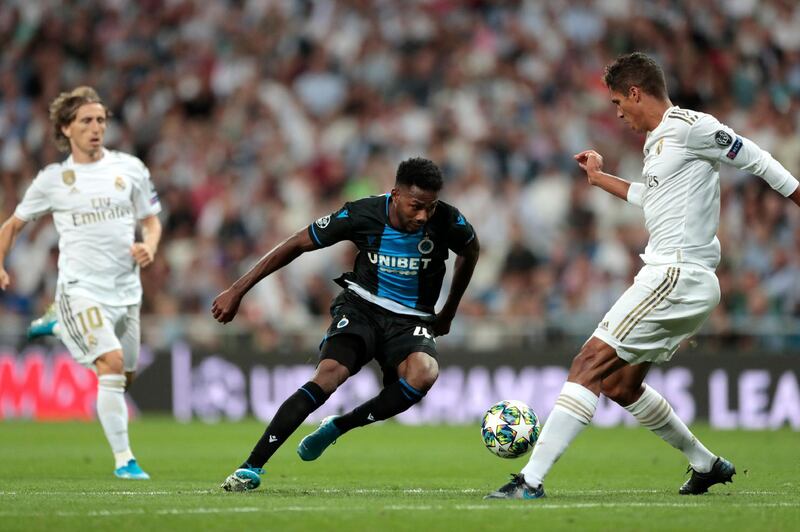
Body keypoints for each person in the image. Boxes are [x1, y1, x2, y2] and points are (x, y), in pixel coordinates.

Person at [486, 52, 800, 499]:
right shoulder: (657, 143)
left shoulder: (692, 127)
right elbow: (649, 199)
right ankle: (705, 463)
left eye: (617, 103)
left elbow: (760, 160)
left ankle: (530, 481)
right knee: (618, 382)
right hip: (681, 277)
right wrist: (599, 178)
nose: (617, 114)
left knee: (588, 363)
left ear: (636, 92)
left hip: (675, 273)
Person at [212, 157, 480, 492]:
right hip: (362, 307)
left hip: (411, 319)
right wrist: (237, 290)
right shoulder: (362, 213)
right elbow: (297, 243)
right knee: (329, 375)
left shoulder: (448, 220)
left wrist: (449, 311)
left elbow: (471, 251)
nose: (423, 215)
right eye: (416, 207)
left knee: (424, 373)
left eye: (430, 206)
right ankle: (251, 467)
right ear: (395, 194)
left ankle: (339, 426)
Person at [0, 87, 163, 479]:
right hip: (80, 290)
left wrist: (150, 246)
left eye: (101, 120)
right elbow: (14, 224)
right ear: (65, 128)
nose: (96, 128)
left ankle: (58, 325)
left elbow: (151, 220)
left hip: (126, 293)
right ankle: (125, 460)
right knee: (111, 362)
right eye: (86, 121)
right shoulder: (53, 180)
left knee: (125, 377)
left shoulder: (131, 168)